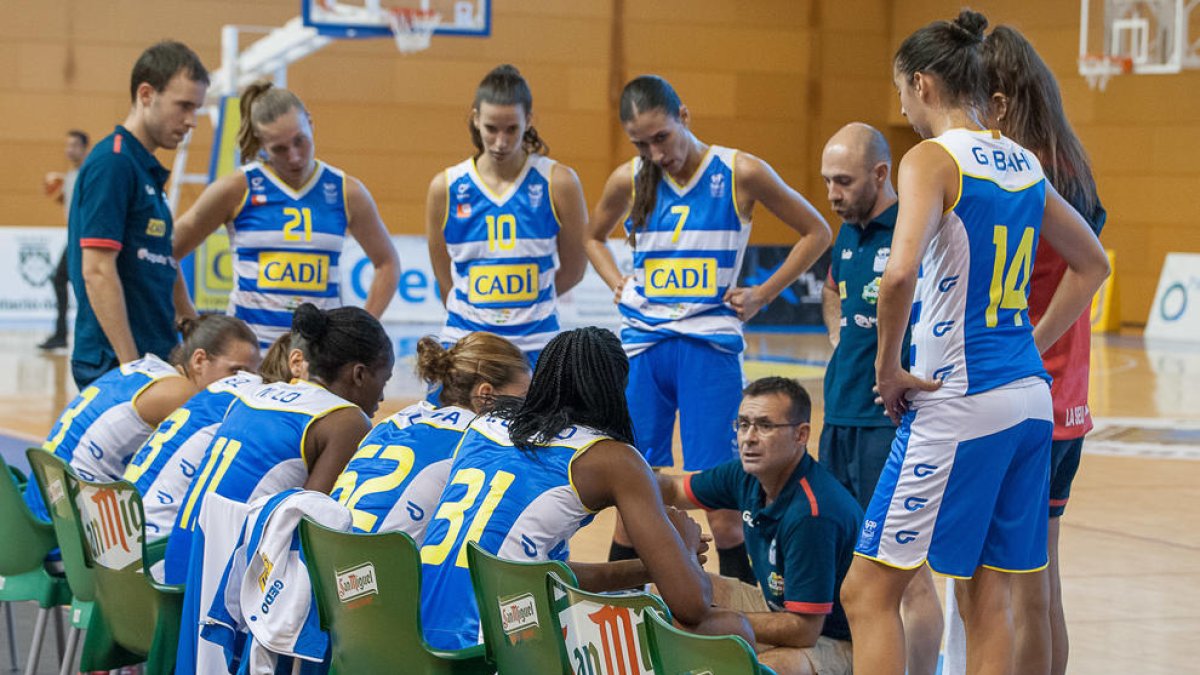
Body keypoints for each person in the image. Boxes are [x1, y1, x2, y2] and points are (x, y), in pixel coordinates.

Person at [839, 10, 1111, 675]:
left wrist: (889, 367)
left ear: (924, 84)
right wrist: (1031, 344)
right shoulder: (1021, 160)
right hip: (1027, 399)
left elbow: (899, 270)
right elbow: (1093, 263)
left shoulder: (930, 158)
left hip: (959, 399)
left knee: (868, 590)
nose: (901, 104)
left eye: (902, 90)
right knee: (987, 594)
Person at [585, 74, 831, 582]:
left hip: (708, 348)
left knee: (721, 499)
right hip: (645, 348)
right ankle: (615, 610)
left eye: (662, 137)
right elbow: (591, 236)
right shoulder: (627, 178)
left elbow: (817, 230)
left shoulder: (739, 170)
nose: (655, 153)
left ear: (685, 117)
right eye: (641, 143)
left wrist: (764, 293)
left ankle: (745, 615)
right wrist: (616, 282)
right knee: (636, 486)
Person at [941, 25, 1110, 675]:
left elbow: (1084, 271)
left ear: (1002, 101)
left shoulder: (1022, 175)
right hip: (1062, 406)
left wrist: (1026, 347)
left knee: (990, 586)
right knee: (1038, 586)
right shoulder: (1067, 165)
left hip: (1021, 397)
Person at [418, 326, 753, 651]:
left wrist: (656, 567)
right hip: (494, 645)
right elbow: (691, 605)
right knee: (730, 630)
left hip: (421, 633)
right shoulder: (610, 458)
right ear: (617, 388)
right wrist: (685, 552)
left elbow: (536, 570)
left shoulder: (484, 426)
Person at [818, 122, 942, 675]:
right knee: (852, 569)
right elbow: (830, 289)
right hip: (839, 420)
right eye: (826, 182)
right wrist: (840, 334)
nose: (832, 195)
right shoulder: (848, 230)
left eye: (843, 182)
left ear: (881, 174)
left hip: (887, 426)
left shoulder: (915, 228)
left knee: (905, 574)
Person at [162, 303, 394, 584]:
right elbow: (313, 532)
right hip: (223, 589)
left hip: (178, 564)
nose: (382, 397)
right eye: (384, 380)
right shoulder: (346, 421)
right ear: (358, 374)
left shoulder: (252, 395)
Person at [172, 81, 400, 350]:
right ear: (260, 143)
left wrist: (358, 333)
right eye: (279, 148)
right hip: (251, 356)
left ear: (311, 123)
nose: (294, 157)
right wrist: (189, 322)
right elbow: (168, 250)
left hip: (318, 359)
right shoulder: (237, 188)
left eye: (300, 141)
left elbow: (387, 263)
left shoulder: (346, 191)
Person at [658, 377, 860, 675]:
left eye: (765, 426)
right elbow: (673, 491)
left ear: (801, 435)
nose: (748, 437)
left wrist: (715, 621)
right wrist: (623, 477)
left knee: (764, 669)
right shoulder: (746, 474)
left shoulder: (812, 513)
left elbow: (804, 630)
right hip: (777, 609)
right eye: (743, 424)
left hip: (836, 641)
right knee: (669, 593)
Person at [426, 64, 588, 364]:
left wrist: (531, 304)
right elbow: (442, 273)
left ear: (529, 120)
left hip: (538, 341)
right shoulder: (445, 187)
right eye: (491, 128)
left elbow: (575, 269)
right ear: (475, 119)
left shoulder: (559, 181)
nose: (501, 141)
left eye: (511, 128)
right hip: (465, 340)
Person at [69, 41, 209, 388]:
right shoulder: (114, 163)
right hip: (116, 363)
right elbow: (97, 270)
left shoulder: (143, 168)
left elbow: (163, 255)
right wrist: (131, 368)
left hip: (155, 354)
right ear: (146, 94)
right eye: (184, 106)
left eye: (197, 109)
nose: (192, 121)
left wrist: (190, 321)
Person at [24, 314, 259, 521]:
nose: (243, 383)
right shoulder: (180, 394)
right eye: (237, 371)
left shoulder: (146, 369)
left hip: (42, 510)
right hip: (65, 530)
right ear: (199, 360)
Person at [331, 332, 530, 537]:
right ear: (486, 394)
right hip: (381, 561)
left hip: (327, 552)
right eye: (524, 397)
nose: (529, 408)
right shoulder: (483, 440)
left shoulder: (397, 419)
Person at [124, 329, 309, 540]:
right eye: (236, 369)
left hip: (123, 524)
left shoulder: (223, 389)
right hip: (150, 542)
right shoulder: (267, 414)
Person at [39, 129, 90, 351]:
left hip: (84, 240)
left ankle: (66, 334)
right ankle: (63, 333)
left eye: (74, 146)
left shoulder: (88, 174)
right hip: (74, 238)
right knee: (64, 281)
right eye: (67, 145)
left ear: (84, 148)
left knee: (75, 283)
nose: (69, 150)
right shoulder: (70, 176)